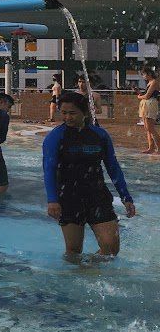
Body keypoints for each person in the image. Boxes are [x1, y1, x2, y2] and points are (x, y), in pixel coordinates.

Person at [42, 91, 137, 260]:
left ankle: (91, 269)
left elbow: (113, 167)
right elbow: (48, 169)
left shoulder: (99, 135)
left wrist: (126, 196)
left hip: (97, 195)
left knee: (111, 248)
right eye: (64, 113)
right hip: (69, 197)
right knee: (73, 252)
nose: (67, 118)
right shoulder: (56, 137)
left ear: (85, 112)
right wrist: (52, 200)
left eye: (72, 113)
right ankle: (77, 279)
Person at [136, 67, 159, 155]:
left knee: (151, 128)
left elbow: (147, 96)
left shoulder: (154, 82)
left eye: (144, 74)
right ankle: (151, 148)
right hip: (146, 104)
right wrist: (139, 93)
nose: (143, 77)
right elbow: (146, 95)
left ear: (149, 74)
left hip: (150, 104)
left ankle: (159, 149)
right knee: (147, 128)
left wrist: (139, 96)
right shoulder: (149, 83)